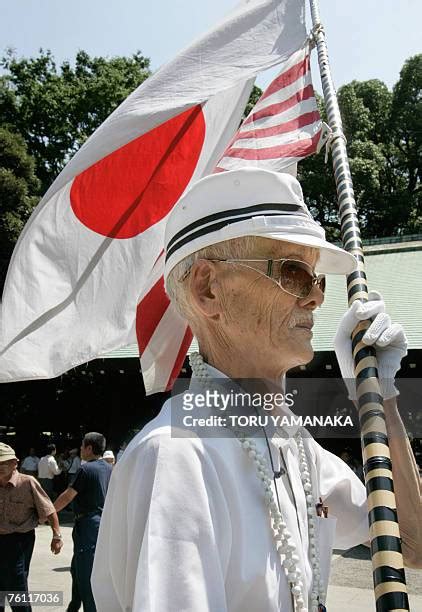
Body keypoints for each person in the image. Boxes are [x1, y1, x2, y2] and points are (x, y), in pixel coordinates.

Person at [91, 169, 422, 611]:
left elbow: (412, 545)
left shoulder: (296, 449)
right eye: (293, 272)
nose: (316, 298)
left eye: (317, 279)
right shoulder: (178, 457)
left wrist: (382, 396)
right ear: (208, 288)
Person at [0, 442, 63, 612]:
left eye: (4, 463)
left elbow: (49, 510)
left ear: (15, 463)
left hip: (19, 540)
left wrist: (56, 536)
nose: (1, 467)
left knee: (16, 583)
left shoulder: (27, 483)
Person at [54, 433, 112, 612]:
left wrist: (47, 512)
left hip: (88, 525)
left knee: (85, 574)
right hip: (101, 523)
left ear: (89, 448)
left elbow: (68, 496)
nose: (79, 449)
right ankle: (73, 606)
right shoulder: (110, 468)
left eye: (81, 446)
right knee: (77, 569)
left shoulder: (86, 469)